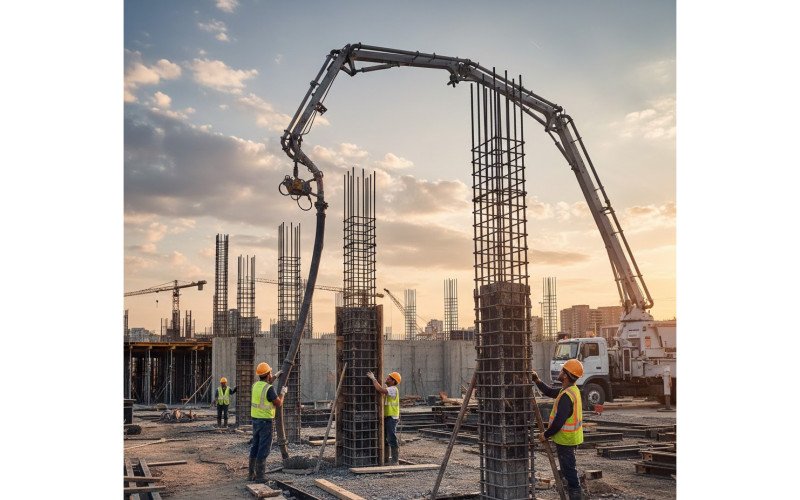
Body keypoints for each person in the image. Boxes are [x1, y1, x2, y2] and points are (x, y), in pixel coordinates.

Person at [532, 359, 585, 500]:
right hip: (569, 439)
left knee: (570, 472)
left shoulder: (567, 396)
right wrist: (537, 380)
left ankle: (576, 495)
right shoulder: (569, 390)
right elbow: (549, 391)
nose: (560, 372)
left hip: (567, 440)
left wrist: (546, 434)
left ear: (566, 375)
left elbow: (559, 421)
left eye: (562, 370)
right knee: (567, 470)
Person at [249, 362, 287, 482]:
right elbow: (278, 403)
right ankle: (260, 477)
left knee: (255, 446)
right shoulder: (269, 389)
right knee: (263, 448)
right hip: (265, 422)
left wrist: (275, 376)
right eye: (270, 372)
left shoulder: (255, 385)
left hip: (255, 420)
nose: (271, 374)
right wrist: (283, 393)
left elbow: (265, 386)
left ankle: (251, 474)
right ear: (267, 374)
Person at [366, 370, 402, 465]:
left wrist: (373, 379)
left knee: (391, 437)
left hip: (392, 418)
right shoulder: (390, 389)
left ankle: (395, 460)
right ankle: (386, 458)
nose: (387, 378)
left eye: (389, 378)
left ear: (394, 381)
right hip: (387, 417)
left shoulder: (393, 389)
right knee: (386, 438)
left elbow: (380, 390)